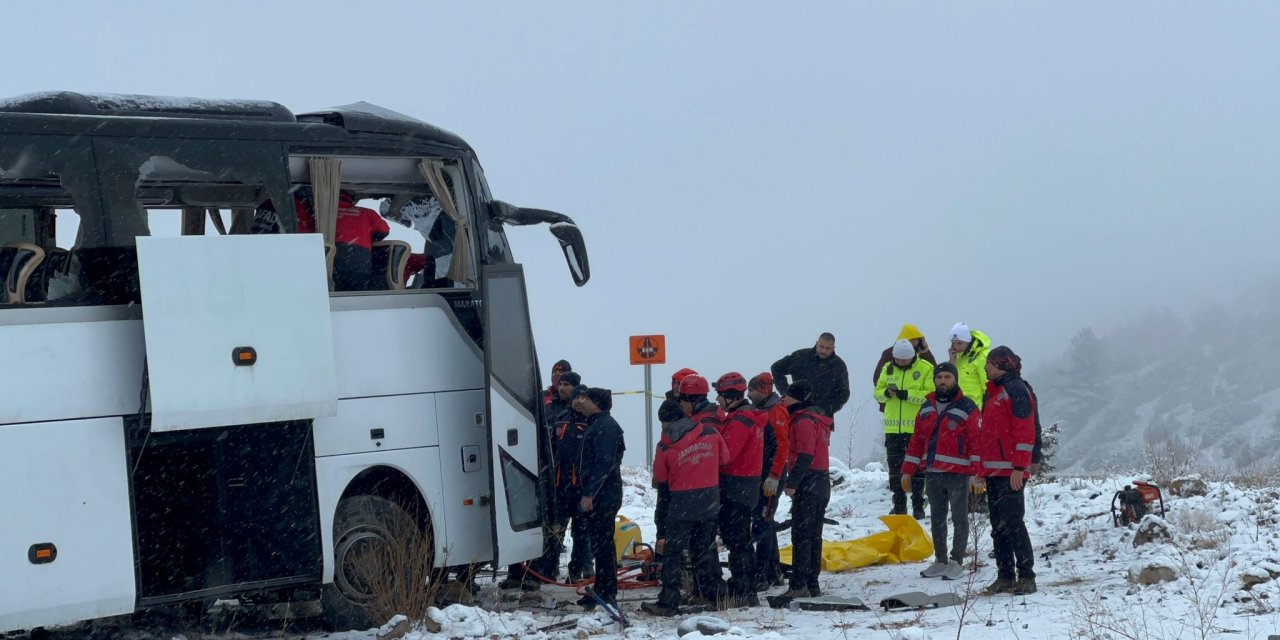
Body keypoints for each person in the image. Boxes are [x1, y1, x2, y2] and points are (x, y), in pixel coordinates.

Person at [640, 399, 729, 617]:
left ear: (665, 421)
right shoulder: (709, 432)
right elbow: (725, 459)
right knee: (705, 548)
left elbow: (660, 477)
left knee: (673, 553)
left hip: (681, 502)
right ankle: (716, 594)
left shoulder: (665, 445)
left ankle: (668, 601)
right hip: (709, 499)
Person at [900, 362, 979, 580]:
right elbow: (917, 441)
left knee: (960, 517)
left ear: (955, 379)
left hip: (959, 473)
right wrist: (908, 470)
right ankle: (941, 560)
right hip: (932, 473)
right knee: (937, 517)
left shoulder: (967, 407)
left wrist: (975, 473)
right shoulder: (926, 407)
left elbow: (976, 442)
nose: (943, 381)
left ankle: (956, 561)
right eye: (939, 377)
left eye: (947, 377)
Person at [973, 346, 1038, 596]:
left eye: (989, 363)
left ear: (1001, 365)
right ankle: (1005, 576)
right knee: (997, 525)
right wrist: (980, 468)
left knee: (1013, 523)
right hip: (992, 471)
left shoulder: (1016, 389)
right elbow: (985, 434)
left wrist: (1020, 467)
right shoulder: (991, 392)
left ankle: (1027, 576)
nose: (985, 367)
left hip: (1011, 471)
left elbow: (1025, 430)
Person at [713, 372, 766, 606]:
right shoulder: (748, 417)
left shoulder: (738, 422)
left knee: (737, 541)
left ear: (730, 396)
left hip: (736, 486)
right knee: (741, 539)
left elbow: (727, 456)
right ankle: (746, 585)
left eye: (720, 395)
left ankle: (744, 588)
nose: (717, 400)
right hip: (747, 484)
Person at [574, 386, 626, 609]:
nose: (581, 401)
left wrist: (590, 493)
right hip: (602, 495)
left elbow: (605, 463)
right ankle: (602, 589)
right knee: (599, 544)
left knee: (603, 545)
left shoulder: (605, 427)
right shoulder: (597, 424)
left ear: (595, 402)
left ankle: (607, 592)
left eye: (585, 398)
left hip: (604, 496)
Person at [782, 381, 832, 599]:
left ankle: (799, 584)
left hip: (808, 480)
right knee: (814, 534)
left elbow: (805, 454)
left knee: (802, 535)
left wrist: (792, 482)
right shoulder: (818, 419)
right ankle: (812, 583)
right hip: (821, 480)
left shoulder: (802, 420)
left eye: (788, 396)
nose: (783, 399)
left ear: (798, 399)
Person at [874, 339, 935, 518]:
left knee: (917, 468)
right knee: (895, 468)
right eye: (898, 360)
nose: (901, 363)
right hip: (893, 429)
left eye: (905, 360)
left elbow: (929, 395)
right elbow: (877, 392)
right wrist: (885, 394)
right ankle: (899, 504)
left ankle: (918, 504)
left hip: (916, 429)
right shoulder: (888, 368)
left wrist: (906, 394)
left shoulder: (925, 368)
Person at [747, 372, 790, 590]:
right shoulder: (762, 409)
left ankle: (762, 573)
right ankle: (773, 572)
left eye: (752, 390)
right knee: (766, 521)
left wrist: (774, 475)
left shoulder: (775, 411)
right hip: (763, 474)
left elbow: (783, 445)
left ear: (762, 390)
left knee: (763, 522)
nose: (748, 393)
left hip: (771, 476)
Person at [771, 333, 851, 418]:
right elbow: (776, 368)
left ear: (833, 348)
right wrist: (785, 392)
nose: (824, 351)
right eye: (821, 346)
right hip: (794, 412)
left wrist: (827, 410)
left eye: (828, 348)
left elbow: (844, 393)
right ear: (816, 343)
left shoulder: (838, 366)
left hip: (821, 418)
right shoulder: (801, 357)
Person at [331, 190, 391, 291]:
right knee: (356, 295)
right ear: (351, 200)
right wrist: (368, 237)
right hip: (360, 262)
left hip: (332, 260)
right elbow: (384, 230)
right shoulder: (367, 213)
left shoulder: (325, 215)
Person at [873, 324, 937, 413]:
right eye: (912, 339)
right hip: (892, 407)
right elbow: (878, 378)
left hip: (919, 409)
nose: (915, 342)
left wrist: (926, 352)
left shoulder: (923, 354)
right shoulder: (889, 354)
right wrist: (886, 393)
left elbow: (935, 374)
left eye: (917, 339)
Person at [948, 322, 992, 409]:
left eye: (960, 343)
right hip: (957, 406)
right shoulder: (958, 356)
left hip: (975, 408)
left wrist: (987, 409)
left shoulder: (982, 357)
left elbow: (988, 386)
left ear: (968, 341)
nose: (956, 347)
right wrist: (952, 363)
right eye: (953, 343)